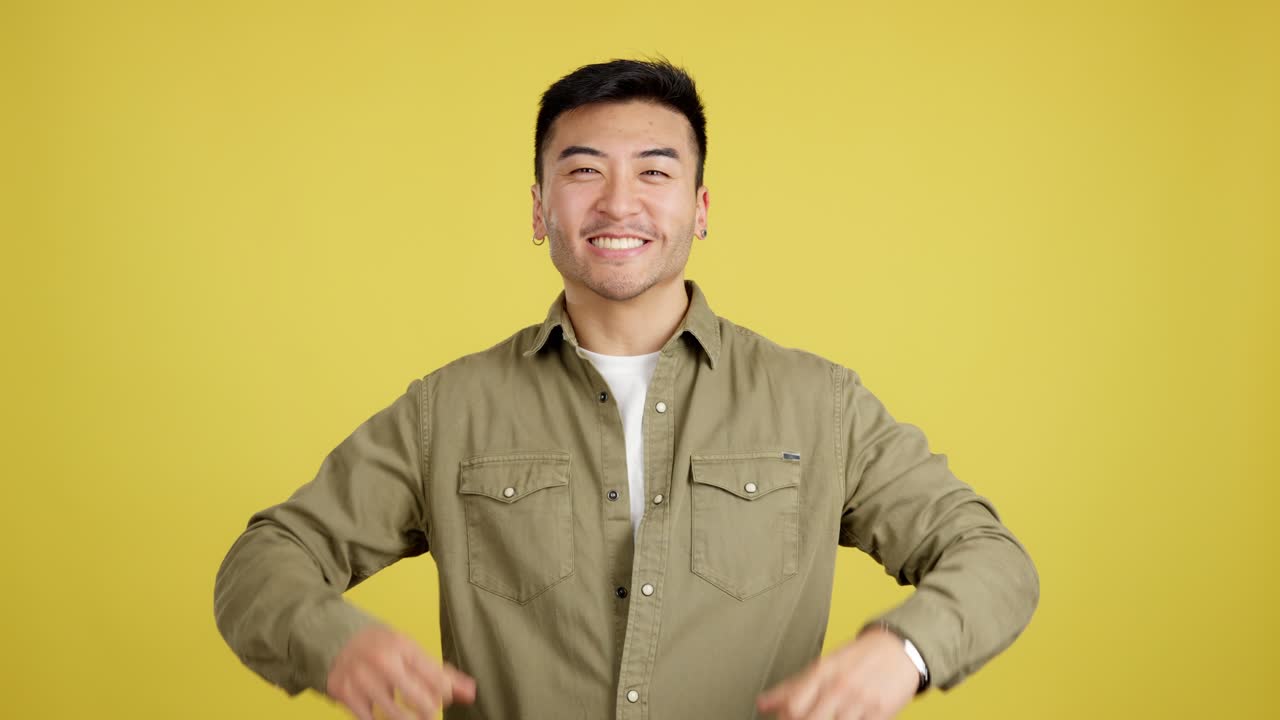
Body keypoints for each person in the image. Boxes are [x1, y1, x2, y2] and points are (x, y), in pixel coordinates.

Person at [214, 58, 1039, 720]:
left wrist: (903, 652)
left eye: (654, 171)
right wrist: (333, 643)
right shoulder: (449, 412)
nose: (618, 202)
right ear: (539, 209)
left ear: (700, 207)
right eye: (583, 171)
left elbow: (991, 559)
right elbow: (264, 561)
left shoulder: (819, 405)